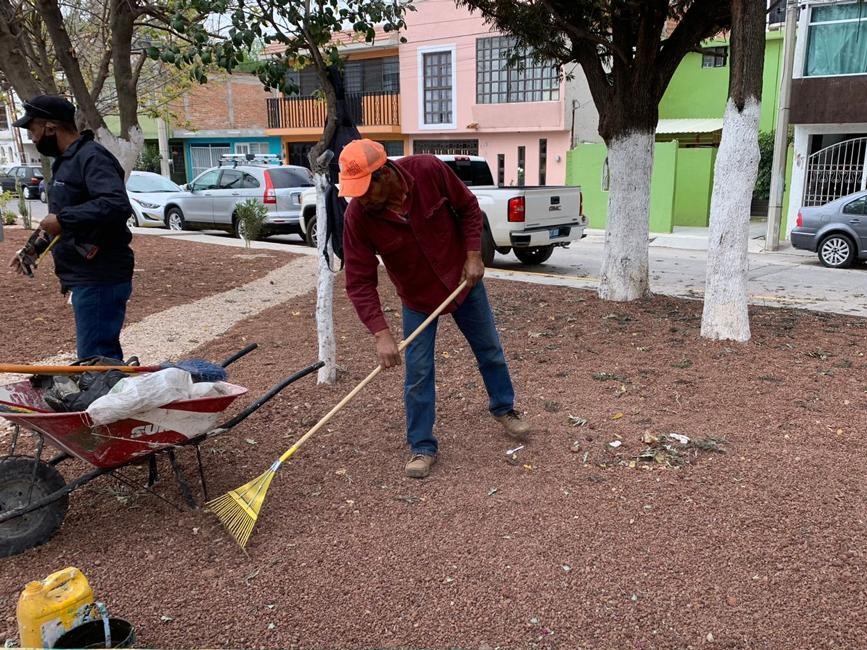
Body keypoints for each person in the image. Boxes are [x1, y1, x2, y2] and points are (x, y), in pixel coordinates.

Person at [339, 139, 530, 479]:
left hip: (463, 281)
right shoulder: (358, 216)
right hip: (417, 299)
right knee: (419, 373)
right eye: (355, 191)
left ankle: (505, 408)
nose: (361, 198)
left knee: (490, 350)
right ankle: (422, 446)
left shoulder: (428, 170)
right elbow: (358, 280)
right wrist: (380, 334)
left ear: (385, 173)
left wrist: (474, 255)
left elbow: (470, 208)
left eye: (366, 188)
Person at [8, 95, 134, 361]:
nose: (32, 138)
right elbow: (61, 220)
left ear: (50, 127)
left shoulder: (91, 157)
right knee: (96, 356)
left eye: (33, 130)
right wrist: (32, 250)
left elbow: (115, 204)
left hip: (101, 275)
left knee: (96, 359)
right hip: (85, 275)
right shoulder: (66, 162)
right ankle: (106, 396)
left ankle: (106, 399)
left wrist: (63, 219)